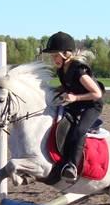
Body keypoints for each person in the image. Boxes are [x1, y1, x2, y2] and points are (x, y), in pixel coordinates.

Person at [42, 31, 104, 183]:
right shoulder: (62, 70)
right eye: (52, 56)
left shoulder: (79, 70)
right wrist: (53, 90)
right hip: (77, 103)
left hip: (92, 105)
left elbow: (97, 93)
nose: (53, 59)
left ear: (65, 54)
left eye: (55, 55)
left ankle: (72, 166)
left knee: (79, 130)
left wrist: (75, 97)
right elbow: (67, 86)